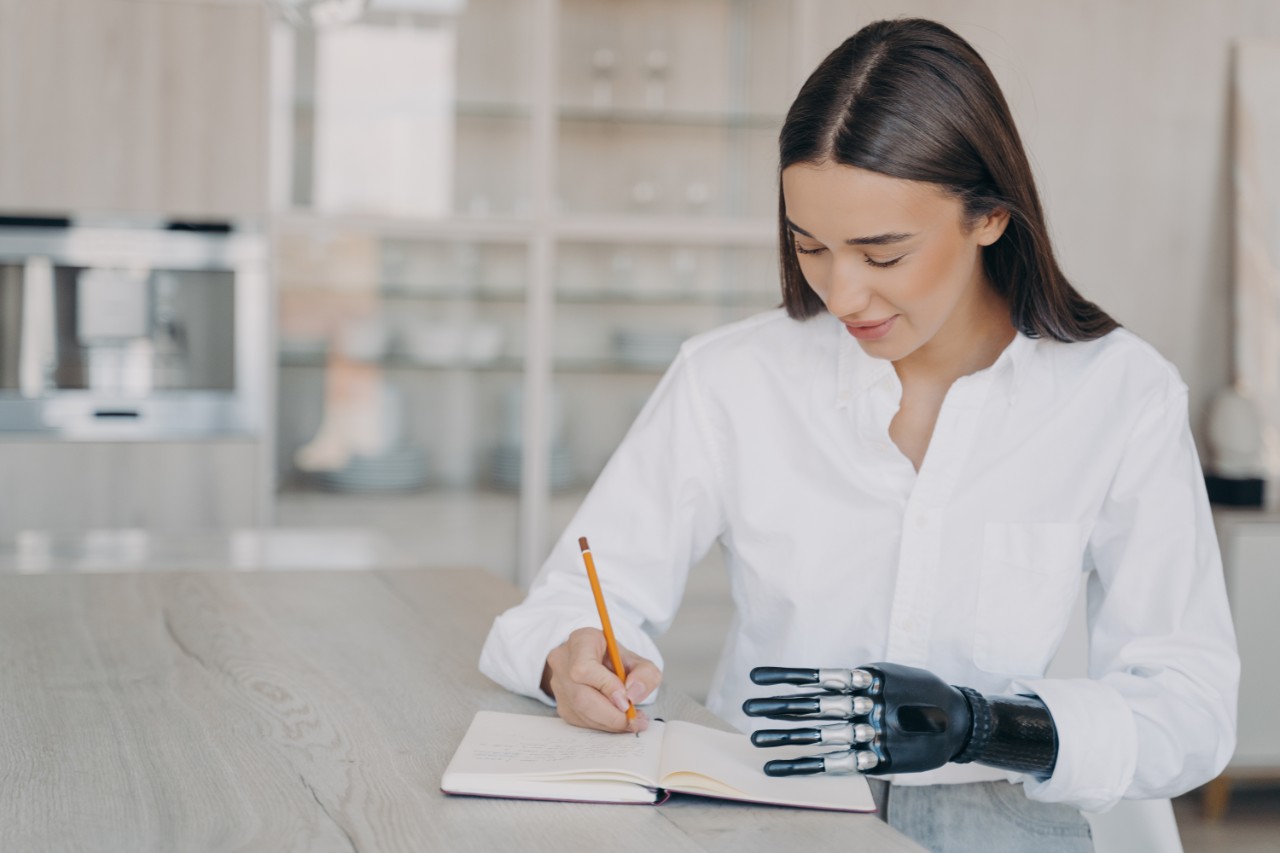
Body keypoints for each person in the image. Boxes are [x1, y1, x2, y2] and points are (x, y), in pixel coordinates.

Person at [479, 17, 1238, 852]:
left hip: (1007, 819)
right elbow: (563, 601)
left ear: (989, 215)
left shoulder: (1120, 396)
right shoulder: (732, 377)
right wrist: (573, 656)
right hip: (766, 806)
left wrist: (986, 726)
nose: (841, 295)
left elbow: (1190, 705)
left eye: (883, 254)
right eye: (811, 247)